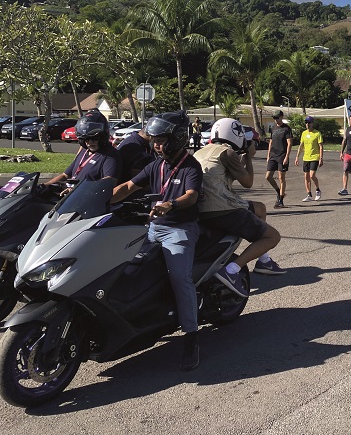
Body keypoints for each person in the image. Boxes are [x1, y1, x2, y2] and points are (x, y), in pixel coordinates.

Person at [111, 111, 203, 370]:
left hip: (179, 229)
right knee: (124, 265)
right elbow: (129, 186)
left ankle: (191, 336)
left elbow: (191, 196)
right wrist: (101, 198)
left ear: (176, 139)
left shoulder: (190, 166)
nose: (157, 145)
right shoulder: (156, 165)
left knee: (180, 278)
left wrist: (171, 205)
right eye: (154, 141)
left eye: (161, 140)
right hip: (151, 229)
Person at [195, 117, 285, 288]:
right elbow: (248, 182)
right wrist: (249, 157)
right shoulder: (227, 153)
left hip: (200, 207)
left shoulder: (201, 151)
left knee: (260, 208)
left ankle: (264, 259)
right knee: (273, 236)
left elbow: (220, 179)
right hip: (222, 208)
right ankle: (231, 271)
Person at [45, 110, 121, 188]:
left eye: (94, 138)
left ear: (102, 137)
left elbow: (109, 182)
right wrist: (44, 186)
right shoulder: (84, 151)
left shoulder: (110, 156)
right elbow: (65, 175)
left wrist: (75, 190)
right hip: (71, 194)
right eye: (86, 139)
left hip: (86, 197)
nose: (89, 142)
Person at [265, 110, 292, 208]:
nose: (276, 120)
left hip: (282, 155)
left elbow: (289, 143)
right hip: (273, 155)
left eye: (277, 117)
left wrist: (287, 157)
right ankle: (278, 191)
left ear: (281, 117)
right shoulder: (273, 128)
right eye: (274, 118)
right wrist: (268, 155)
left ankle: (280, 200)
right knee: (268, 176)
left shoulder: (286, 129)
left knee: (281, 178)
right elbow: (271, 142)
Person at [295, 116, 324, 201]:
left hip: (315, 157)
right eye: (306, 123)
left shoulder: (317, 133)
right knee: (306, 177)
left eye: (309, 122)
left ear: (312, 123)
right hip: (306, 157)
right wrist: (297, 157)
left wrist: (321, 158)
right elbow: (301, 146)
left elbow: (321, 147)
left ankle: (318, 190)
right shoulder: (304, 133)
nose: (307, 124)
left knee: (312, 175)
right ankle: (309, 194)